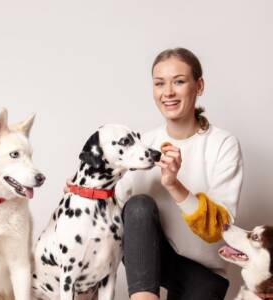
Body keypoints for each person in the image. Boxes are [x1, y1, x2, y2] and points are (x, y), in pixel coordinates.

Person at [115, 48, 243, 300]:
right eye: (159, 84)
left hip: (203, 275)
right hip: (150, 260)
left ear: (199, 86)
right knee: (138, 206)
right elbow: (112, 205)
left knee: (205, 287)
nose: (168, 92)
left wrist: (174, 185)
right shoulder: (142, 144)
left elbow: (219, 230)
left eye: (179, 81)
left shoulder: (223, 144)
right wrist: (84, 192)